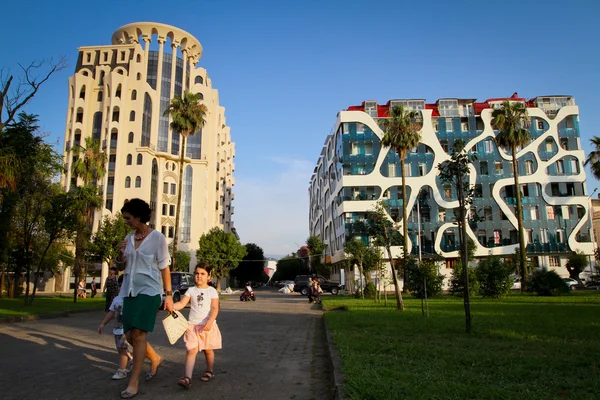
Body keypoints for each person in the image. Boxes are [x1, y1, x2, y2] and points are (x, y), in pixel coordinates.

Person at [116, 198, 173, 399]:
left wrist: (168, 295)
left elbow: (165, 266)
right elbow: (122, 267)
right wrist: (121, 254)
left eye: (128, 218)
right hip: (129, 291)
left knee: (139, 335)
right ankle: (155, 357)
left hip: (150, 291)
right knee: (130, 336)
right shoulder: (128, 238)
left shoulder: (157, 238)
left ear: (139, 216)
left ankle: (133, 382)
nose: (127, 221)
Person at [172, 263, 222, 390]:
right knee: (191, 350)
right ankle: (187, 378)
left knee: (208, 350)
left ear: (209, 276)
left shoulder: (212, 291)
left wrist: (210, 321)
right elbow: (182, 304)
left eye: (202, 274)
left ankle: (209, 371)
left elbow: (215, 308)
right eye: (197, 273)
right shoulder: (191, 290)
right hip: (192, 326)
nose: (199, 276)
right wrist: (173, 306)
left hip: (207, 326)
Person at [98, 294, 133, 380]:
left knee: (122, 349)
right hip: (118, 329)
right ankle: (131, 359)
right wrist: (103, 323)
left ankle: (122, 370)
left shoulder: (133, 298)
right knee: (120, 348)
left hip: (127, 329)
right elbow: (111, 312)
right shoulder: (117, 299)